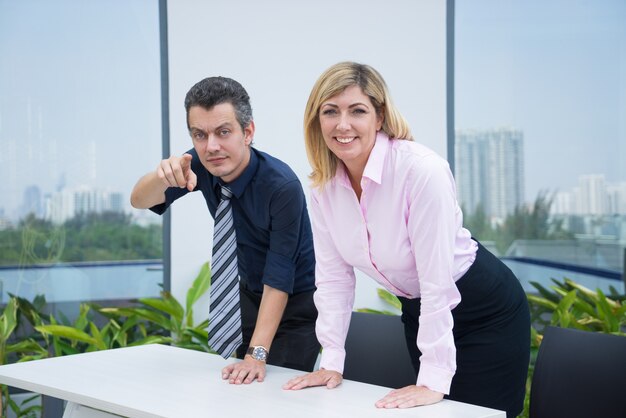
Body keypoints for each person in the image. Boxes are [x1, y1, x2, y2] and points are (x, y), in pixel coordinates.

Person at [283, 62, 530, 418]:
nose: (343, 124)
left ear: (379, 116)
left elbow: (437, 281)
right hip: (419, 310)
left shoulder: (420, 171)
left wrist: (433, 377)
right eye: (330, 111)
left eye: (358, 111)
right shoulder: (324, 188)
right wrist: (332, 362)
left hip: (484, 312)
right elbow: (334, 280)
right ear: (316, 120)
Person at [131, 76, 320, 384]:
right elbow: (139, 201)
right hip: (246, 294)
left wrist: (257, 354)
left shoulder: (282, 186)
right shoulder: (200, 163)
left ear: (248, 132)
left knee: (278, 395)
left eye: (223, 132)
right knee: (238, 389)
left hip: (295, 304)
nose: (212, 147)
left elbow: (280, 275)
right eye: (199, 134)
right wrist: (161, 177)